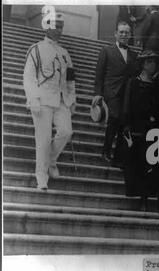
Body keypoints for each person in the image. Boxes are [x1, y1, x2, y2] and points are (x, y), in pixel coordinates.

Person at [23, 12, 75, 190]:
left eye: (61, 26)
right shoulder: (36, 49)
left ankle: (51, 160)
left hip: (61, 100)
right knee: (43, 140)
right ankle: (41, 177)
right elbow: (29, 77)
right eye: (55, 26)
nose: (59, 30)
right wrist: (33, 99)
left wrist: (72, 99)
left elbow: (70, 79)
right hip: (42, 100)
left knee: (66, 132)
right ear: (47, 26)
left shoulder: (64, 53)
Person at [120, 50, 159, 212]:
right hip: (138, 129)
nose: (152, 65)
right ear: (143, 64)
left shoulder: (157, 84)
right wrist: (127, 125)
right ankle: (143, 199)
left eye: (154, 62)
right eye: (149, 62)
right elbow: (127, 105)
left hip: (155, 129)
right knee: (140, 166)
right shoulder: (133, 82)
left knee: (157, 165)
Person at [93, 21, 138, 166]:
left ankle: (118, 156)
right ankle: (105, 151)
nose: (124, 35)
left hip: (127, 93)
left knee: (123, 122)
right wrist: (98, 93)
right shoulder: (106, 50)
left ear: (130, 35)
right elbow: (99, 73)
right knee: (114, 118)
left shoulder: (134, 54)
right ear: (116, 34)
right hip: (111, 91)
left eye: (127, 32)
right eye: (121, 32)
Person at [140, 5, 159, 71]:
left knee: (146, 69)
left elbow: (144, 31)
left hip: (150, 48)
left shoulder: (150, 16)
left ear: (151, 7)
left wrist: (141, 42)